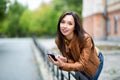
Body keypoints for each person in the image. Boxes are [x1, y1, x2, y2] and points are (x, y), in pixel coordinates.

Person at [48, 11, 104, 80]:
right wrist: (65, 60)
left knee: (88, 76)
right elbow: (71, 60)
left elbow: (82, 64)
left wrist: (63, 65)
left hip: (93, 59)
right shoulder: (59, 41)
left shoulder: (85, 39)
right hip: (80, 62)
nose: (65, 26)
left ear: (75, 27)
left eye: (70, 24)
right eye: (63, 22)